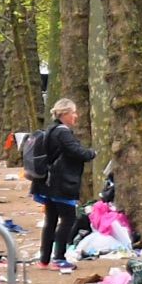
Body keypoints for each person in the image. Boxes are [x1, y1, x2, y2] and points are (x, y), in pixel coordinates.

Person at [32, 99, 92, 266]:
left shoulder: (51, 129)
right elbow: (76, 151)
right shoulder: (63, 132)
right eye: (73, 112)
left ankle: (44, 259)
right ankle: (59, 258)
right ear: (65, 114)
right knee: (68, 219)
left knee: (51, 220)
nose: (76, 116)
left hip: (48, 183)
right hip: (61, 183)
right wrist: (91, 153)